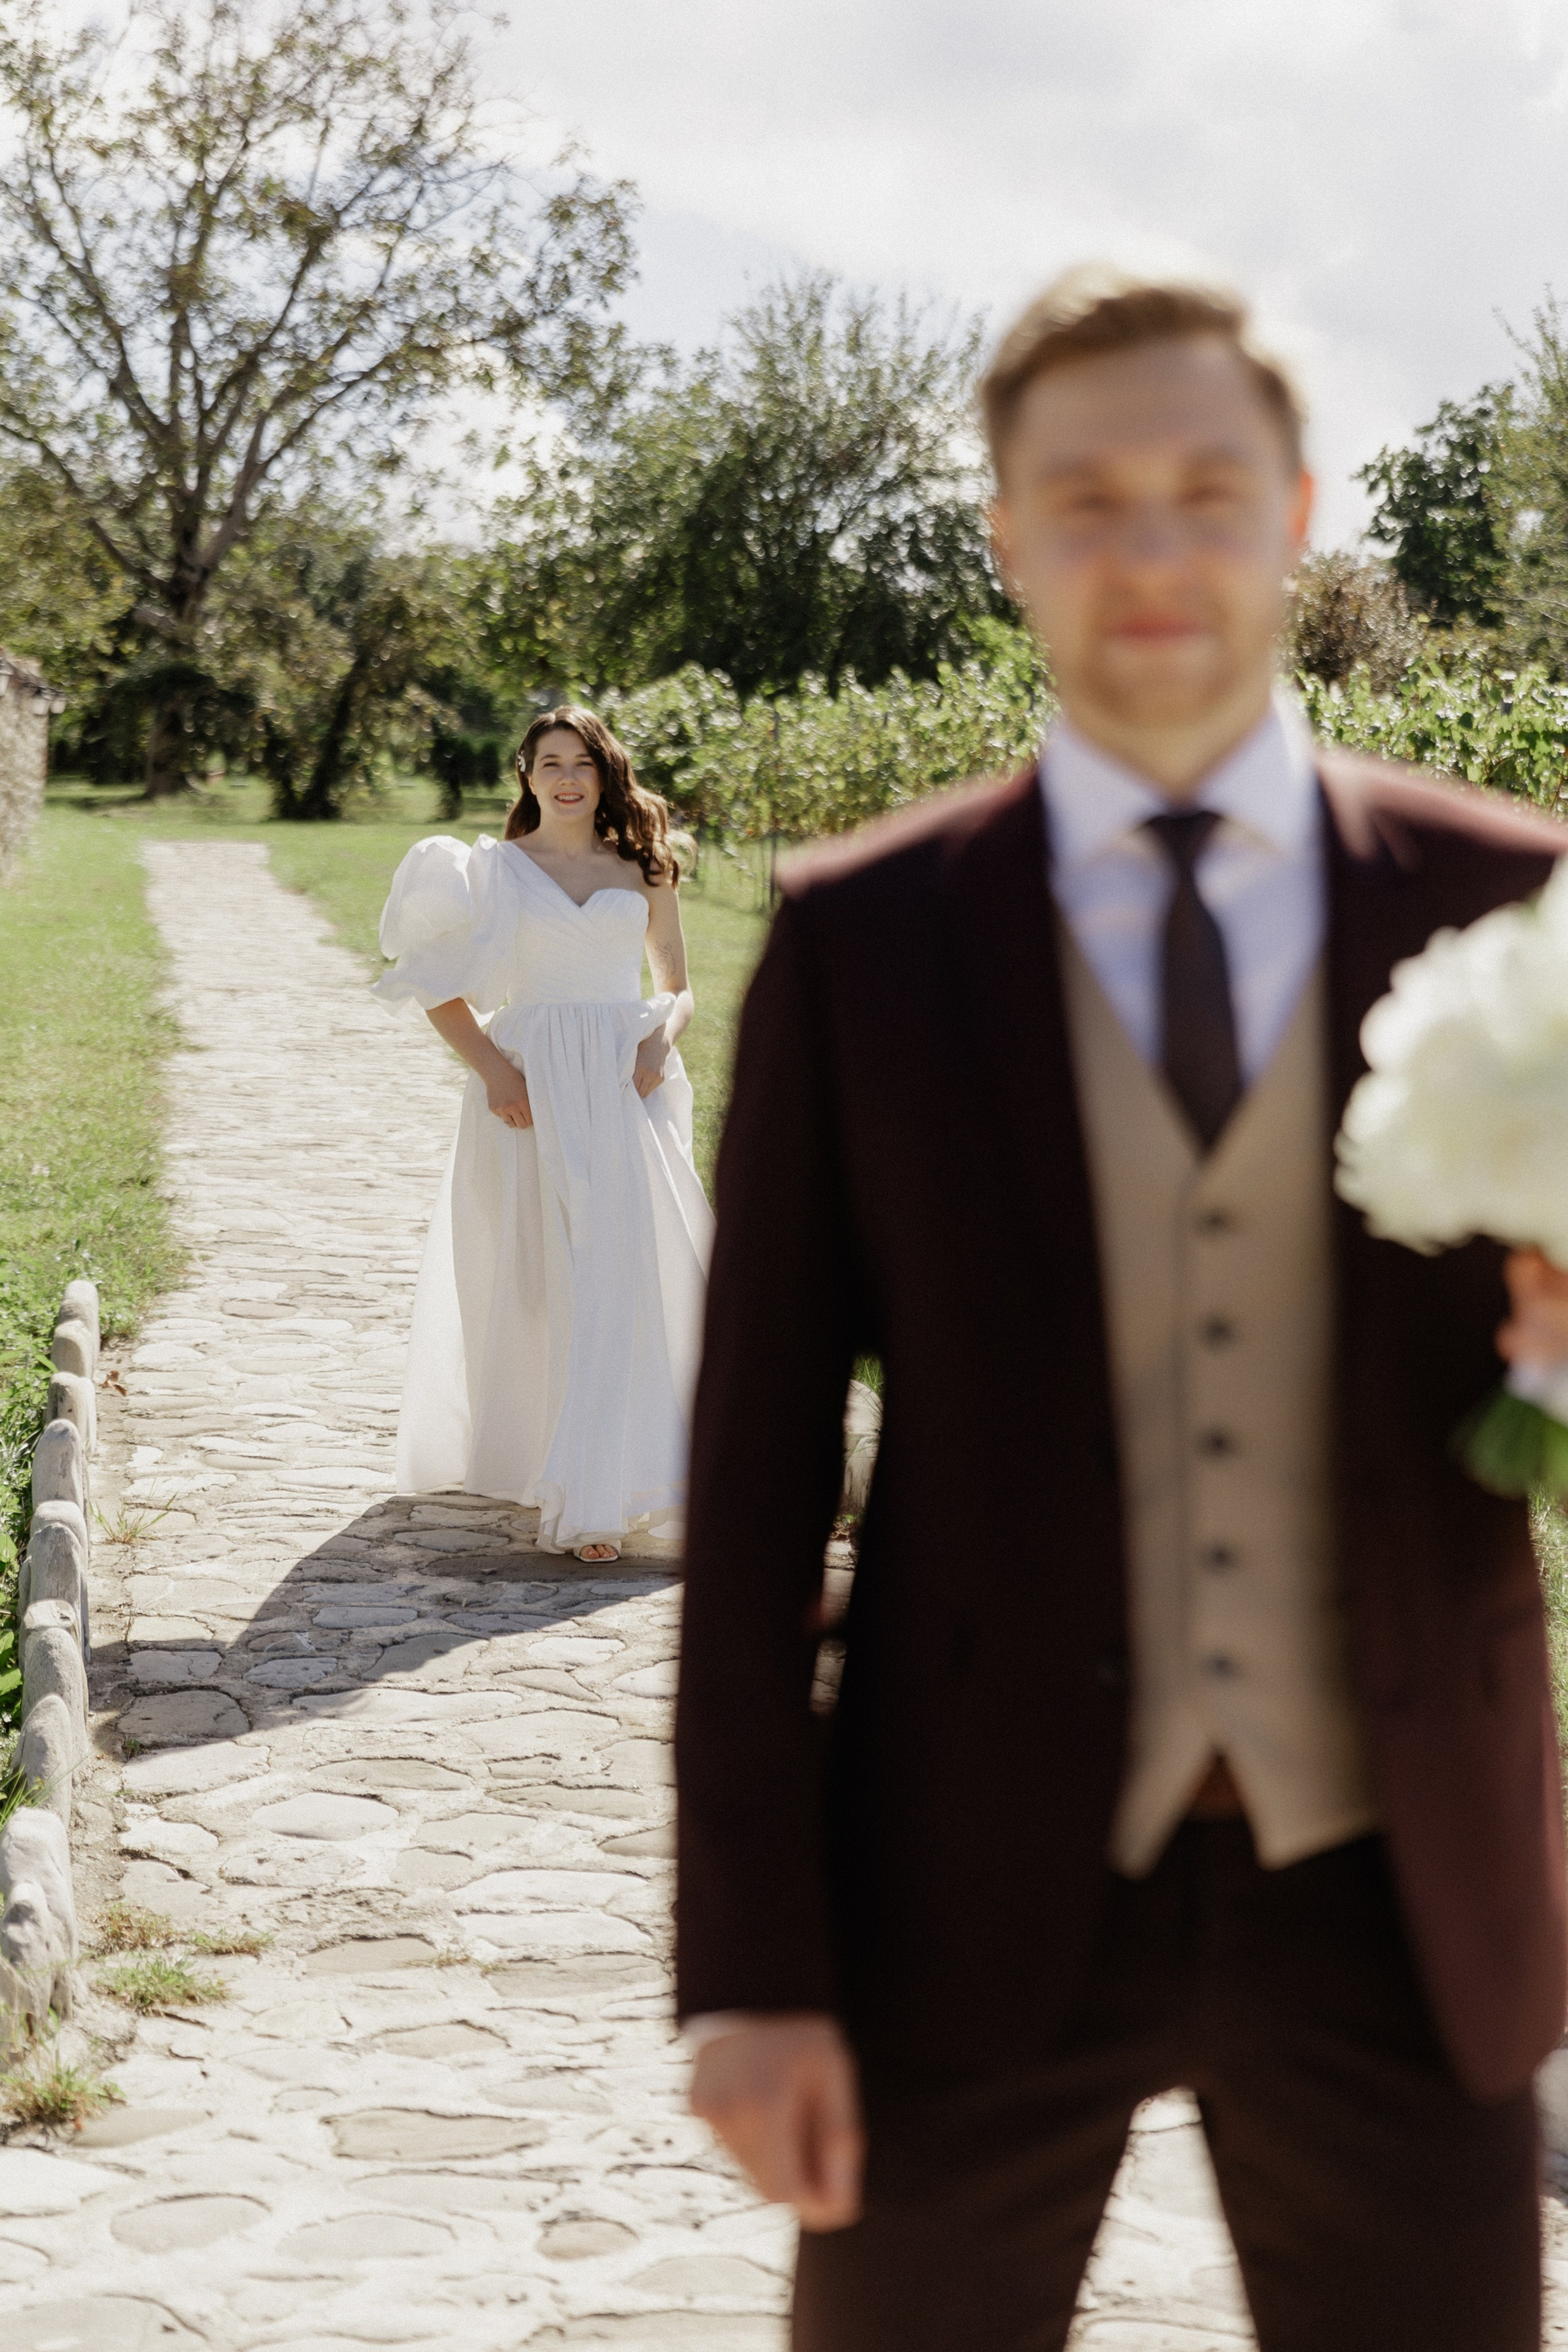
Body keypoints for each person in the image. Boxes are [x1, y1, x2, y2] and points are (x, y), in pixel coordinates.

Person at [674, 271, 1568, 2350]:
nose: (1149, 551)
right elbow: (749, 1486)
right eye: (1083, 500)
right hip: (961, 1882)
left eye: (1204, 489)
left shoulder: (1509, 910)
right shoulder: (861, 942)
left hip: (1398, 1878)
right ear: (1003, 533)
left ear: (1299, 515)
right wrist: (754, 1967)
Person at [374, 705, 714, 1562]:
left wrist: (653, 1043)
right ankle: (553, 1465)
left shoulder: (644, 865)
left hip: (623, 1083)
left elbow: (679, 986)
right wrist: (493, 1069)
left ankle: (603, 1489)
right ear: (525, 775)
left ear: (606, 773)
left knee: (621, 1273)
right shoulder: (489, 873)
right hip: (530, 1088)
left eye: (583, 762)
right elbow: (434, 985)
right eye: (549, 762)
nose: (567, 777)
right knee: (542, 1281)